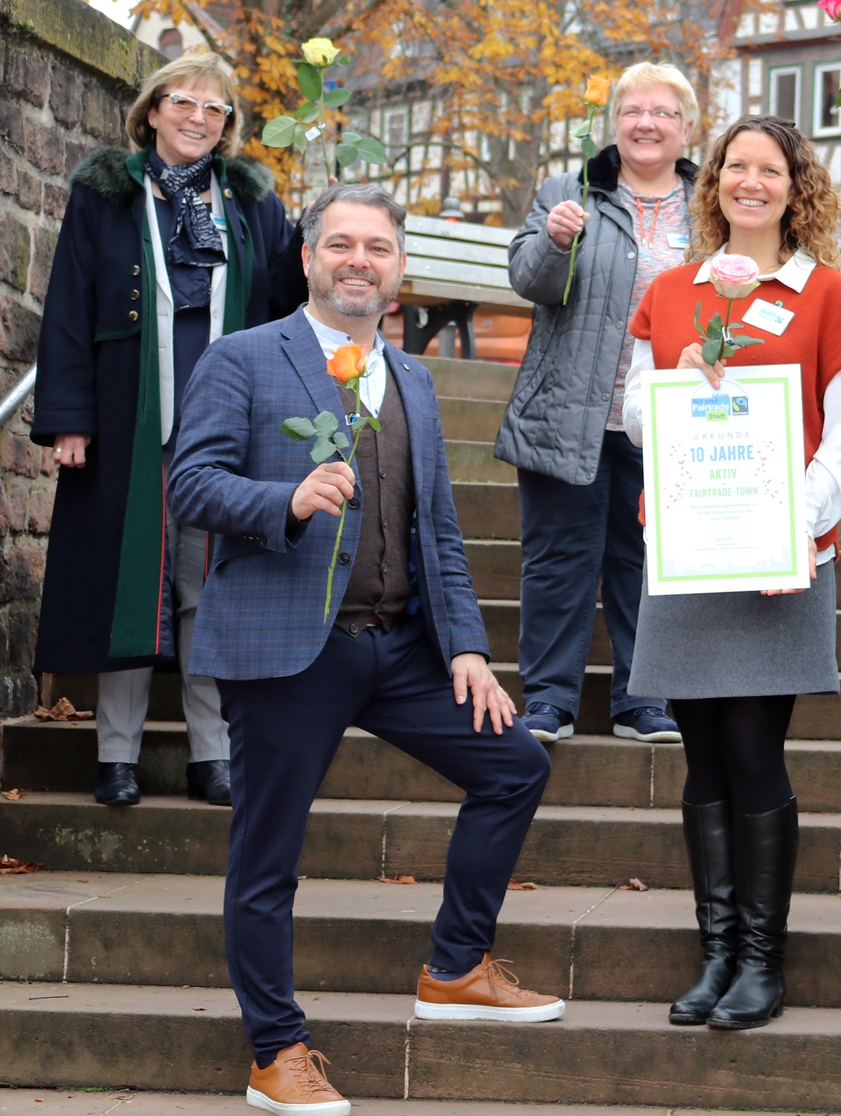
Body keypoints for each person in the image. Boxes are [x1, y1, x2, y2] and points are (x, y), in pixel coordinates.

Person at [167, 182, 563, 1116]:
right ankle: (276, 1052)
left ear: (399, 269)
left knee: (514, 766)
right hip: (286, 653)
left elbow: (443, 532)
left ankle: (457, 966)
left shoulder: (413, 377)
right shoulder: (244, 358)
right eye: (340, 243)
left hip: (401, 647)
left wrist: (467, 647)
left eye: (377, 247)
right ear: (308, 258)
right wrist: (286, 502)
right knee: (268, 855)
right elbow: (190, 484)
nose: (358, 260)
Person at [621, 114, 841, 1032]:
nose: (751, 182)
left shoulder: (828, 294)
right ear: (715, 181)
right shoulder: (673, 290)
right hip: (688, 553)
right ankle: (718, 951)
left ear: (796, 185)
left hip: (780, 558)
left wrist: (793, 535)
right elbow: (639, 421)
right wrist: (679, 382)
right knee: (700, 761)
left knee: (755, 754)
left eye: (771, 168)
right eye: (736, 167)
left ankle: (764, 960)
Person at [33, 50, 306, 808]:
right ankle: (115, 755)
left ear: (228, 128)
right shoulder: (104, 197)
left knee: (207, 584)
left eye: (214, 110)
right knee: (132, 585)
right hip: (128, 418)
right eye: (183, 103)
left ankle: (211, 753)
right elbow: (68, 306)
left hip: (227, 427)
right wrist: (68, 418)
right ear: (151, 111)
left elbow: (285, 296)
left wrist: (313, 235)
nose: (197, 118)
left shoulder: (251, 202)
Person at [498, 62, 699, 747]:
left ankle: (644, 701)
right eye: (634, 109)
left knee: (651, 562)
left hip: (668, 418)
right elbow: (530, 280)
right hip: (570, 411)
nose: (647, 122)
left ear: (687, 127)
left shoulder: (710, 204)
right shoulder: (569, 189)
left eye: (663, 112)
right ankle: (549, 700)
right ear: (615, 121)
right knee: (559, 560)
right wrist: (555, 239)